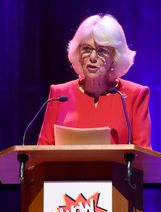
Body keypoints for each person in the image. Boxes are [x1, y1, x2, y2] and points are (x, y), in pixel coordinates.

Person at [37, 14, 152, 149]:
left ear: (115, 56)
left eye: (101, 51)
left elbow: (144, 158)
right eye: (86, 49)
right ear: (77, 53)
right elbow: (42, 152)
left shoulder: (135, 95)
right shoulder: (59, 94)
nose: (92, 57)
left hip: (117, 171)